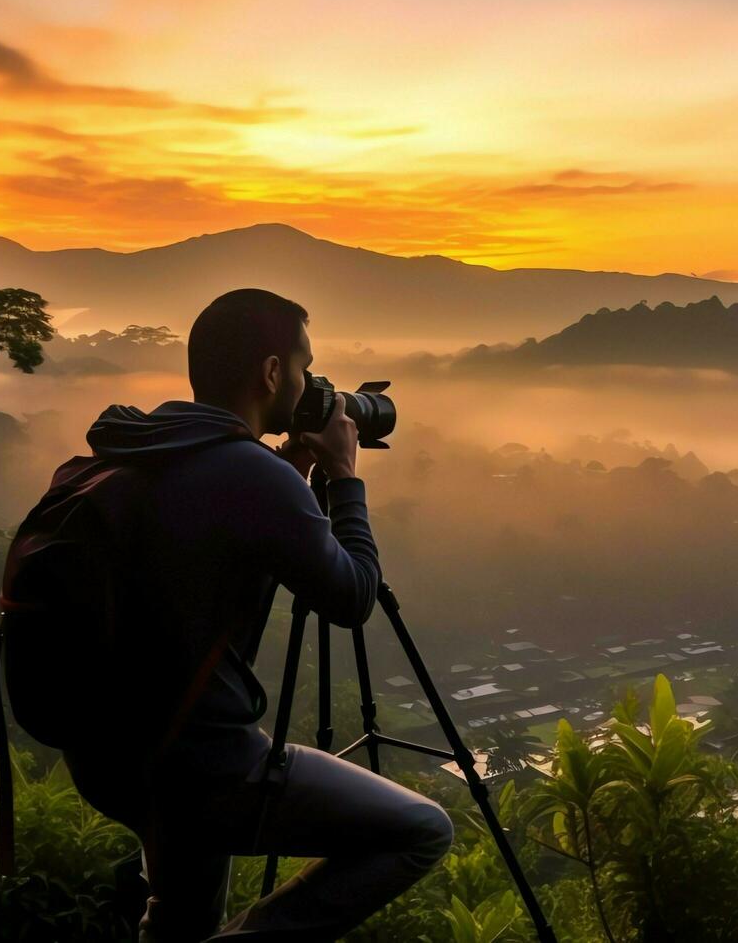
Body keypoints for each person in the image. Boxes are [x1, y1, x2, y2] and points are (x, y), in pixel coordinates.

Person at [48, 288, 453, 942]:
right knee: (421, 831)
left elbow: (212, 570)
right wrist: (345, 475)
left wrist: (289, 470)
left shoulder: (145, 447)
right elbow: (351, 597)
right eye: (304, 367)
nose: (310, 383)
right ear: (271, 372)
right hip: (202, 764)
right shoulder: (245, 473)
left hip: (110, 754)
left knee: (177, 917)